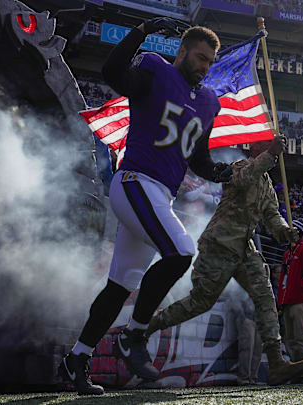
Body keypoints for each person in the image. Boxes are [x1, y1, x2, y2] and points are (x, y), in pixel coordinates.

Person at [58, 18, 231, 395]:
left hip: (159, 195)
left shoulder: (206, 102)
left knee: (119, 286)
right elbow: (112, 72)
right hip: (135, 181)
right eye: (199, 57)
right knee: (182, 251)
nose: (203, 66)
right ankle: (134, 336)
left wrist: (221, 172)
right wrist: (141, 32)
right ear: (182, 51)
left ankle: (77, 359)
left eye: (209, 61)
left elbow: (197, 159)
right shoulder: (156, 71)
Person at [143, 137, 303, 386]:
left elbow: (271, 215)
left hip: (243, 248)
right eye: (266, 145)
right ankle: (147, 327)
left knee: (264, 295)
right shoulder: (239, 166)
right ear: (255, 149)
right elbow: (243, 180)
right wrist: (271, 156)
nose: (271, 149)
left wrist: (285, 232)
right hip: (219, 243)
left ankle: (276, 362)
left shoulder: (266, 183)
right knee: (200, 302)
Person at [278, 220, 303, 384]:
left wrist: (301, 289)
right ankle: (298, 370)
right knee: (289, 338)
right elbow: (283, 278)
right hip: (287, 302)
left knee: (301, 337)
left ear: (299, 233)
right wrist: (281, 300)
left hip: (300, 301)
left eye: (291, 232)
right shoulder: (287, 254)